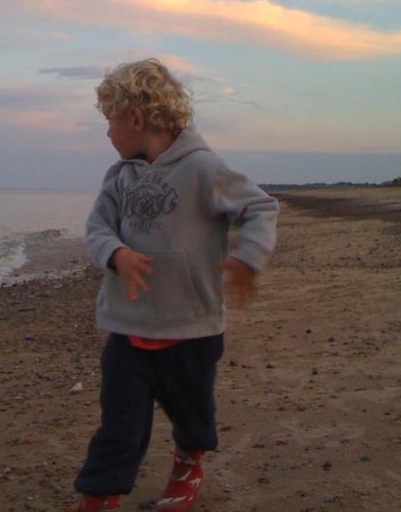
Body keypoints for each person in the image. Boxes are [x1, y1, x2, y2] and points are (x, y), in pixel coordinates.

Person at [69, 59, 279, 512]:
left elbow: (261, 207)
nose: (107, 134)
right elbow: (96, 228)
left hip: (192, 329)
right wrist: (116, 254)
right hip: (129, 327)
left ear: (135, 117)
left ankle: (188, 463)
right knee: (119, 424)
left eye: (109, 121)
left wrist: (249, 259)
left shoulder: (203, 168)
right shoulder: (119, 178)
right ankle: (99, 496)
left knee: (192, 412)